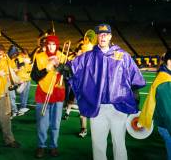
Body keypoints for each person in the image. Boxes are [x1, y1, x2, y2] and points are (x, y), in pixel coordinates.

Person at [59, 23, 146, 160]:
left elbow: (135, 80)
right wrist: (61, 67)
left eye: (106, 34)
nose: (103, 36)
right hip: (97, 107)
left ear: (111, 36)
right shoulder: (87, 57)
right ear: (97, 37)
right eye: (100, 34)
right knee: (98, 145)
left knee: (119, 143)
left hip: (119, 108)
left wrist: (135, 100)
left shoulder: (123, 56)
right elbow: (71, 70)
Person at [31, 35, 65, 158]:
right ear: (46, 45)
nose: (51, 47)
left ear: (57, 45)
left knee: (56, 123)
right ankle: (41, 146)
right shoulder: (39, 57)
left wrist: (60, 66)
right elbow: (34, 77)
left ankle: (53, 146)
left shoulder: (62, 56)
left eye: (54, 44)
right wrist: (46, 68)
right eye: (49, 44)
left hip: (58, 93)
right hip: (42, 93)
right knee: (42, 123)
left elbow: (69, 75)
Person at [139, 49, 171, 160]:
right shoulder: (165, 82)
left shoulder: (166, 75)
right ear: (169, 62)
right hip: (167, 126)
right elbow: (168, 114)